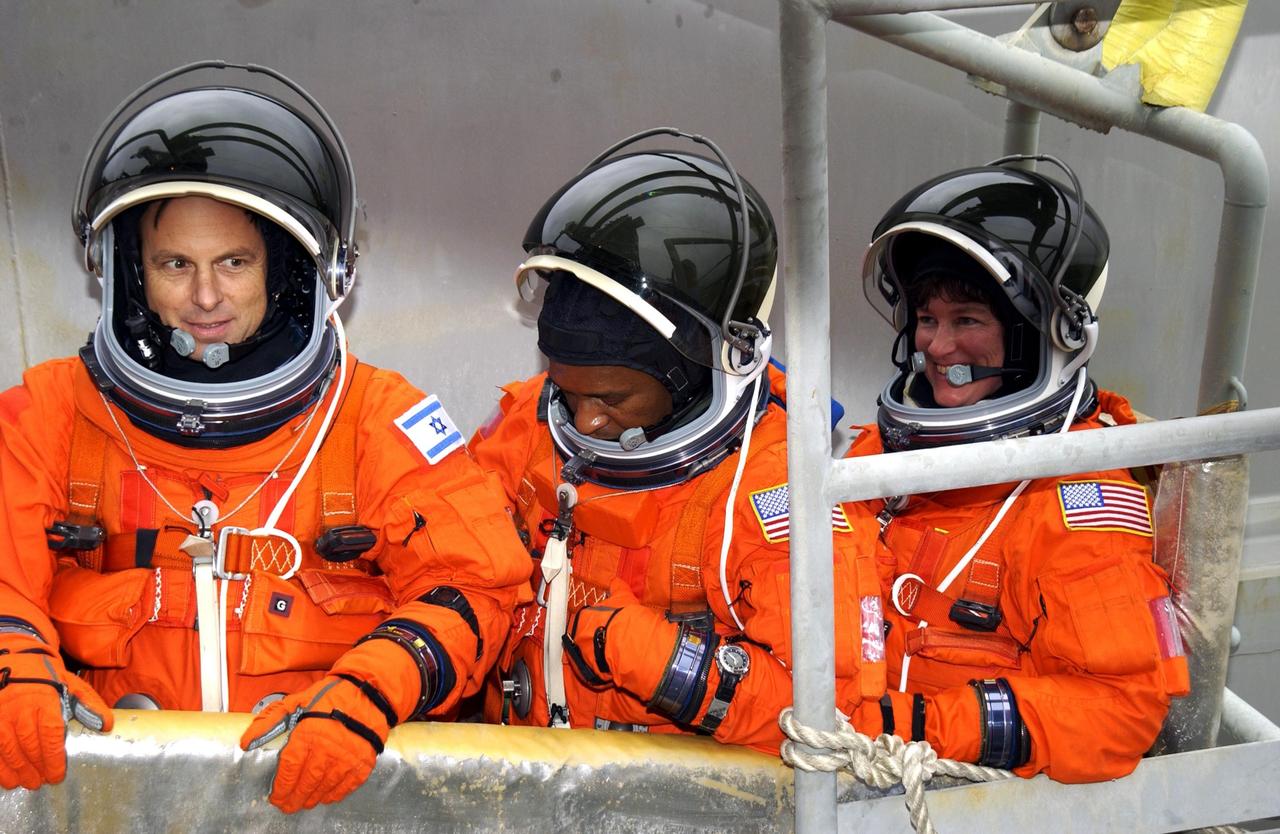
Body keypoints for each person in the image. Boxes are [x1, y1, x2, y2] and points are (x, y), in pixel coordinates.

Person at [0, 63, 530, 812]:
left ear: (291, 271)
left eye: (235, 263)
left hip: (319, 799)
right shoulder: (53, 414)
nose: (205, 298)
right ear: (124, 270)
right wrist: (10, 663)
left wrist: (370, 688)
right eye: (174, 264)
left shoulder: (372, 417)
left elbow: (478, 585)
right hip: (117, 810)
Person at [471, 130, 885, 750]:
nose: (584, 423)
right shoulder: (527, 424)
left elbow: (838, 716)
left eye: (611, 400)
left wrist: (647, 654)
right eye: (567, 390)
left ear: (700, 369)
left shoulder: (777, 488)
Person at [845, 158, 1189, 781]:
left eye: (968, 321)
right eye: (927, 319)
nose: (938, 347)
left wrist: (916, 729)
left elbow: (1118, 709)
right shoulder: (879, 459)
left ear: (1041, 334)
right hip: (861, 770)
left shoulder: (1072, 496)